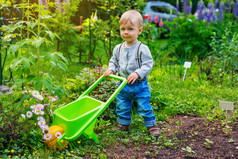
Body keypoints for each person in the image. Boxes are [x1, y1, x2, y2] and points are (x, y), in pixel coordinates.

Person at [103, 10, 160, 136]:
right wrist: (111, 69)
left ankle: (151, 125)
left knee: (144, 106)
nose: (126, 32)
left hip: (139, 85)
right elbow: (114, 61)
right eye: (123, 29)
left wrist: (137, 73)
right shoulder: (118, 48)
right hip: (123, 84)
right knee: (122, 105)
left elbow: (147, 64)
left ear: (139, 31)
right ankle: (123, 124)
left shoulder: (142, 48)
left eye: (130, 29)